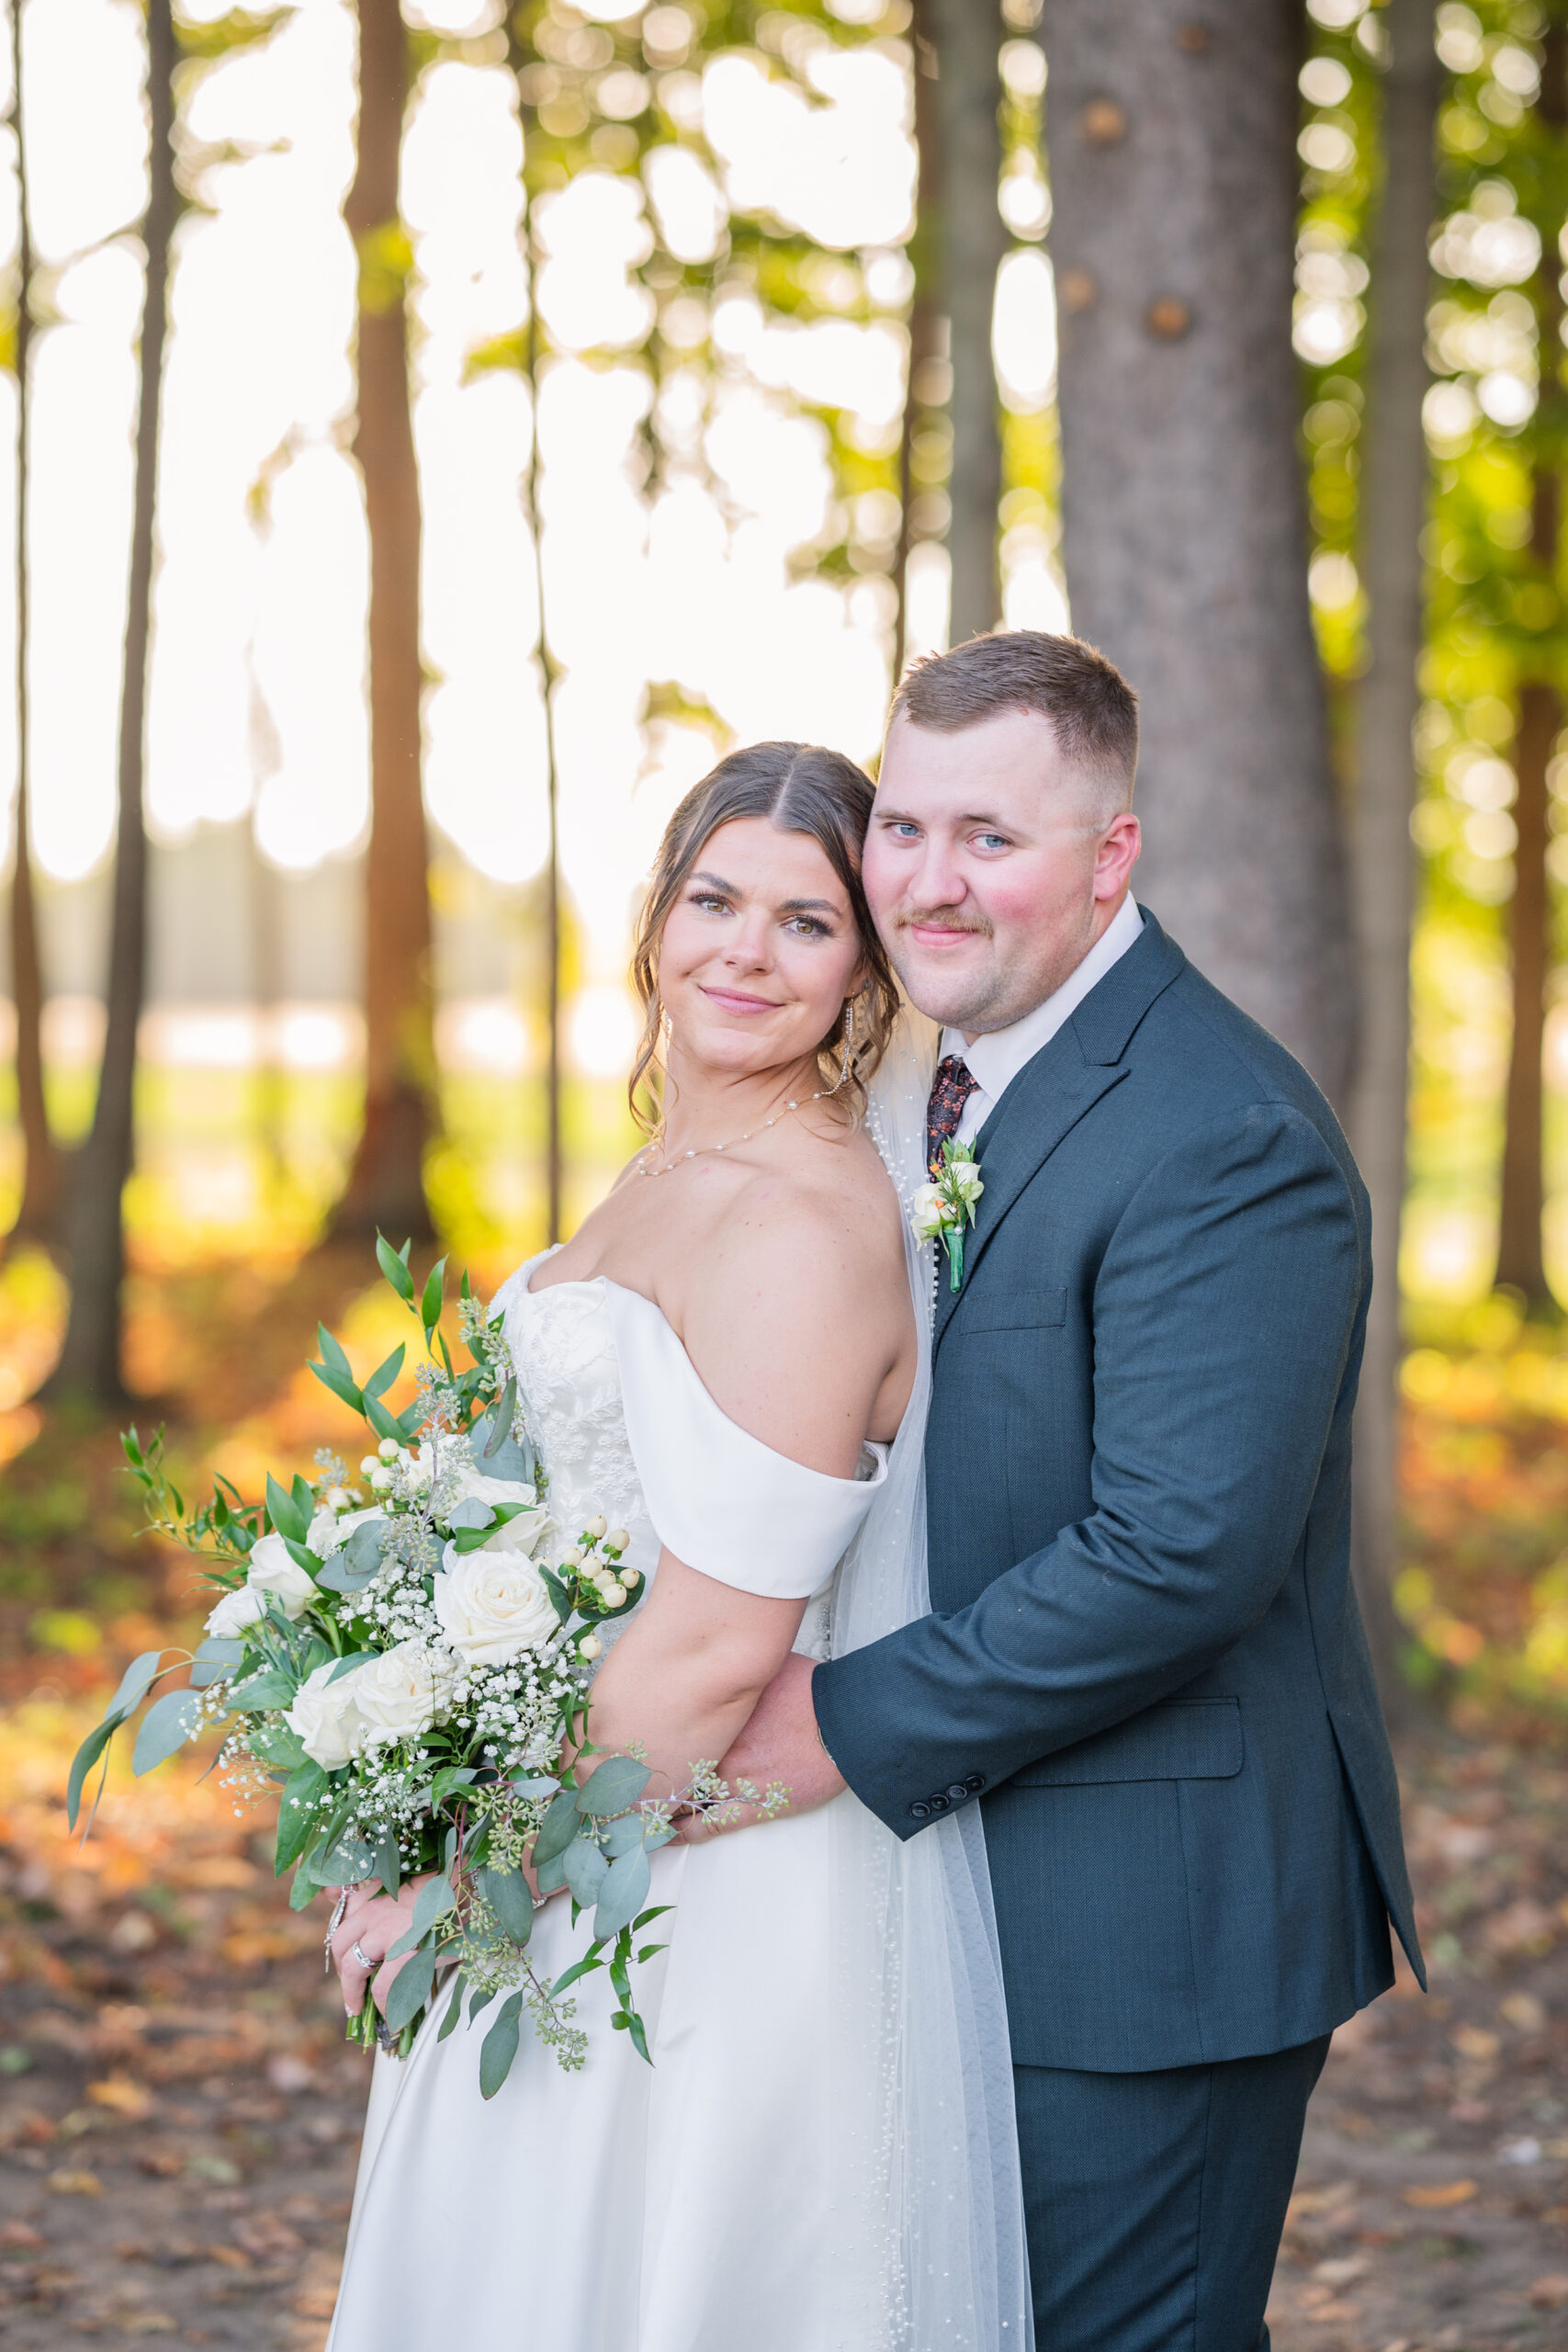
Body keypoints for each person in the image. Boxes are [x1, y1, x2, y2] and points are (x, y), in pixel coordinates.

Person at [720, 629, 1425, 2352]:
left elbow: (1181, 1553)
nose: (927, 886)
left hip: (1145, 1924)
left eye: (991, 840)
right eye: (904, 829)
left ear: (1112, 856)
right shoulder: (916, 1091)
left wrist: (841, 1718)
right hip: (953, 1892)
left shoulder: (1219, 1132)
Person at [321, 742, 1033, 2350]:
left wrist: (472, 1877)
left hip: (702, 1894)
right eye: (715, 899)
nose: (744, 951)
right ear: (656, 919)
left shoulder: (804, 1220)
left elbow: (720, 1641)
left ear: (864, 968)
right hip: (577, 1816)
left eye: (805, 922)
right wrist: (405, 1763)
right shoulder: (668, 1169)